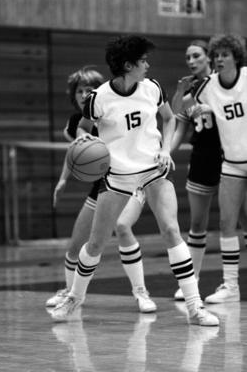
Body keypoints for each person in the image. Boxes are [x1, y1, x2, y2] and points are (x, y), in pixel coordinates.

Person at [50, 34, 219, 326]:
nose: (148, 65)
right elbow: (83, 129)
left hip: (153, 171)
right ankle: (74, 298)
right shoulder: (98, 98)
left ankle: (195, 306)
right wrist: (87, 142)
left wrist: (165, 149)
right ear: (128, 65)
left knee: (170, 230)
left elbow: (170, 119)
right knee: (96, 243)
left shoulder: (152, 88)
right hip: (117, 176)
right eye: (143, 61)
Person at [46, 65, 156, 313]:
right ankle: (69, 291)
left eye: (90, 89)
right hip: (104, 185)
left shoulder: (112, 109)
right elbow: (75, 154)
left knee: (122, 227)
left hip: (132, 179)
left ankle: (141, 292)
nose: (85, 94)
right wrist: (63, 180)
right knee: (76, 244)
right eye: (80, 90)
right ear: (73, 95)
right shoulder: (76, 123)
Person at [172, 33, 247, 303]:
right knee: (224, 223)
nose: (220, 59)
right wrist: (181, 93)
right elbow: (181, 112)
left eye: (224, 54)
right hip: (228, 163)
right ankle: (229, 286)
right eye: (217, 55)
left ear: (236, 57)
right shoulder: (206, 87)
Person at [170, 40, 223, 300]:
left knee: (236, 220)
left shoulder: (223, 85)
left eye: (196, 56)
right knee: (197, 222)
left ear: (208, 58)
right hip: (201, 158)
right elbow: (177, 124)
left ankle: (231, 284)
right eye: (188, 57)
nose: (191, 61)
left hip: (228, 156)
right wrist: (163, 155)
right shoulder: (190, 93)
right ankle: (192, 283)